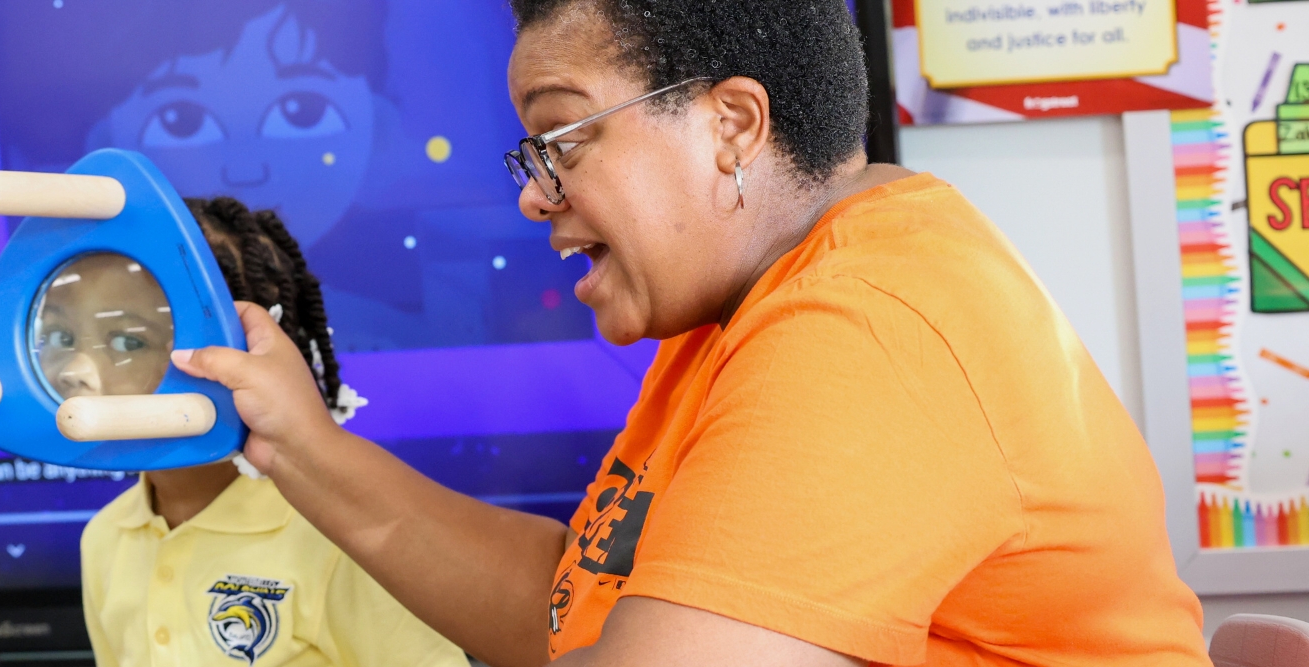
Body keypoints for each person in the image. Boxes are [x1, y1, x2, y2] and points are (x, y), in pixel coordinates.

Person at [168, 1, 1212, 666]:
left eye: (561, 137)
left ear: (730, 125)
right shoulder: (751, 301)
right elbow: (572, 604)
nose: (535, 198)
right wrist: (296, 440)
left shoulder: (866, 331)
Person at [76, 196, 453, 667]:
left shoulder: (344, 538)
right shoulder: (105, 539)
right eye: (63, 337)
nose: (78, 370)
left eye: (129, 341)